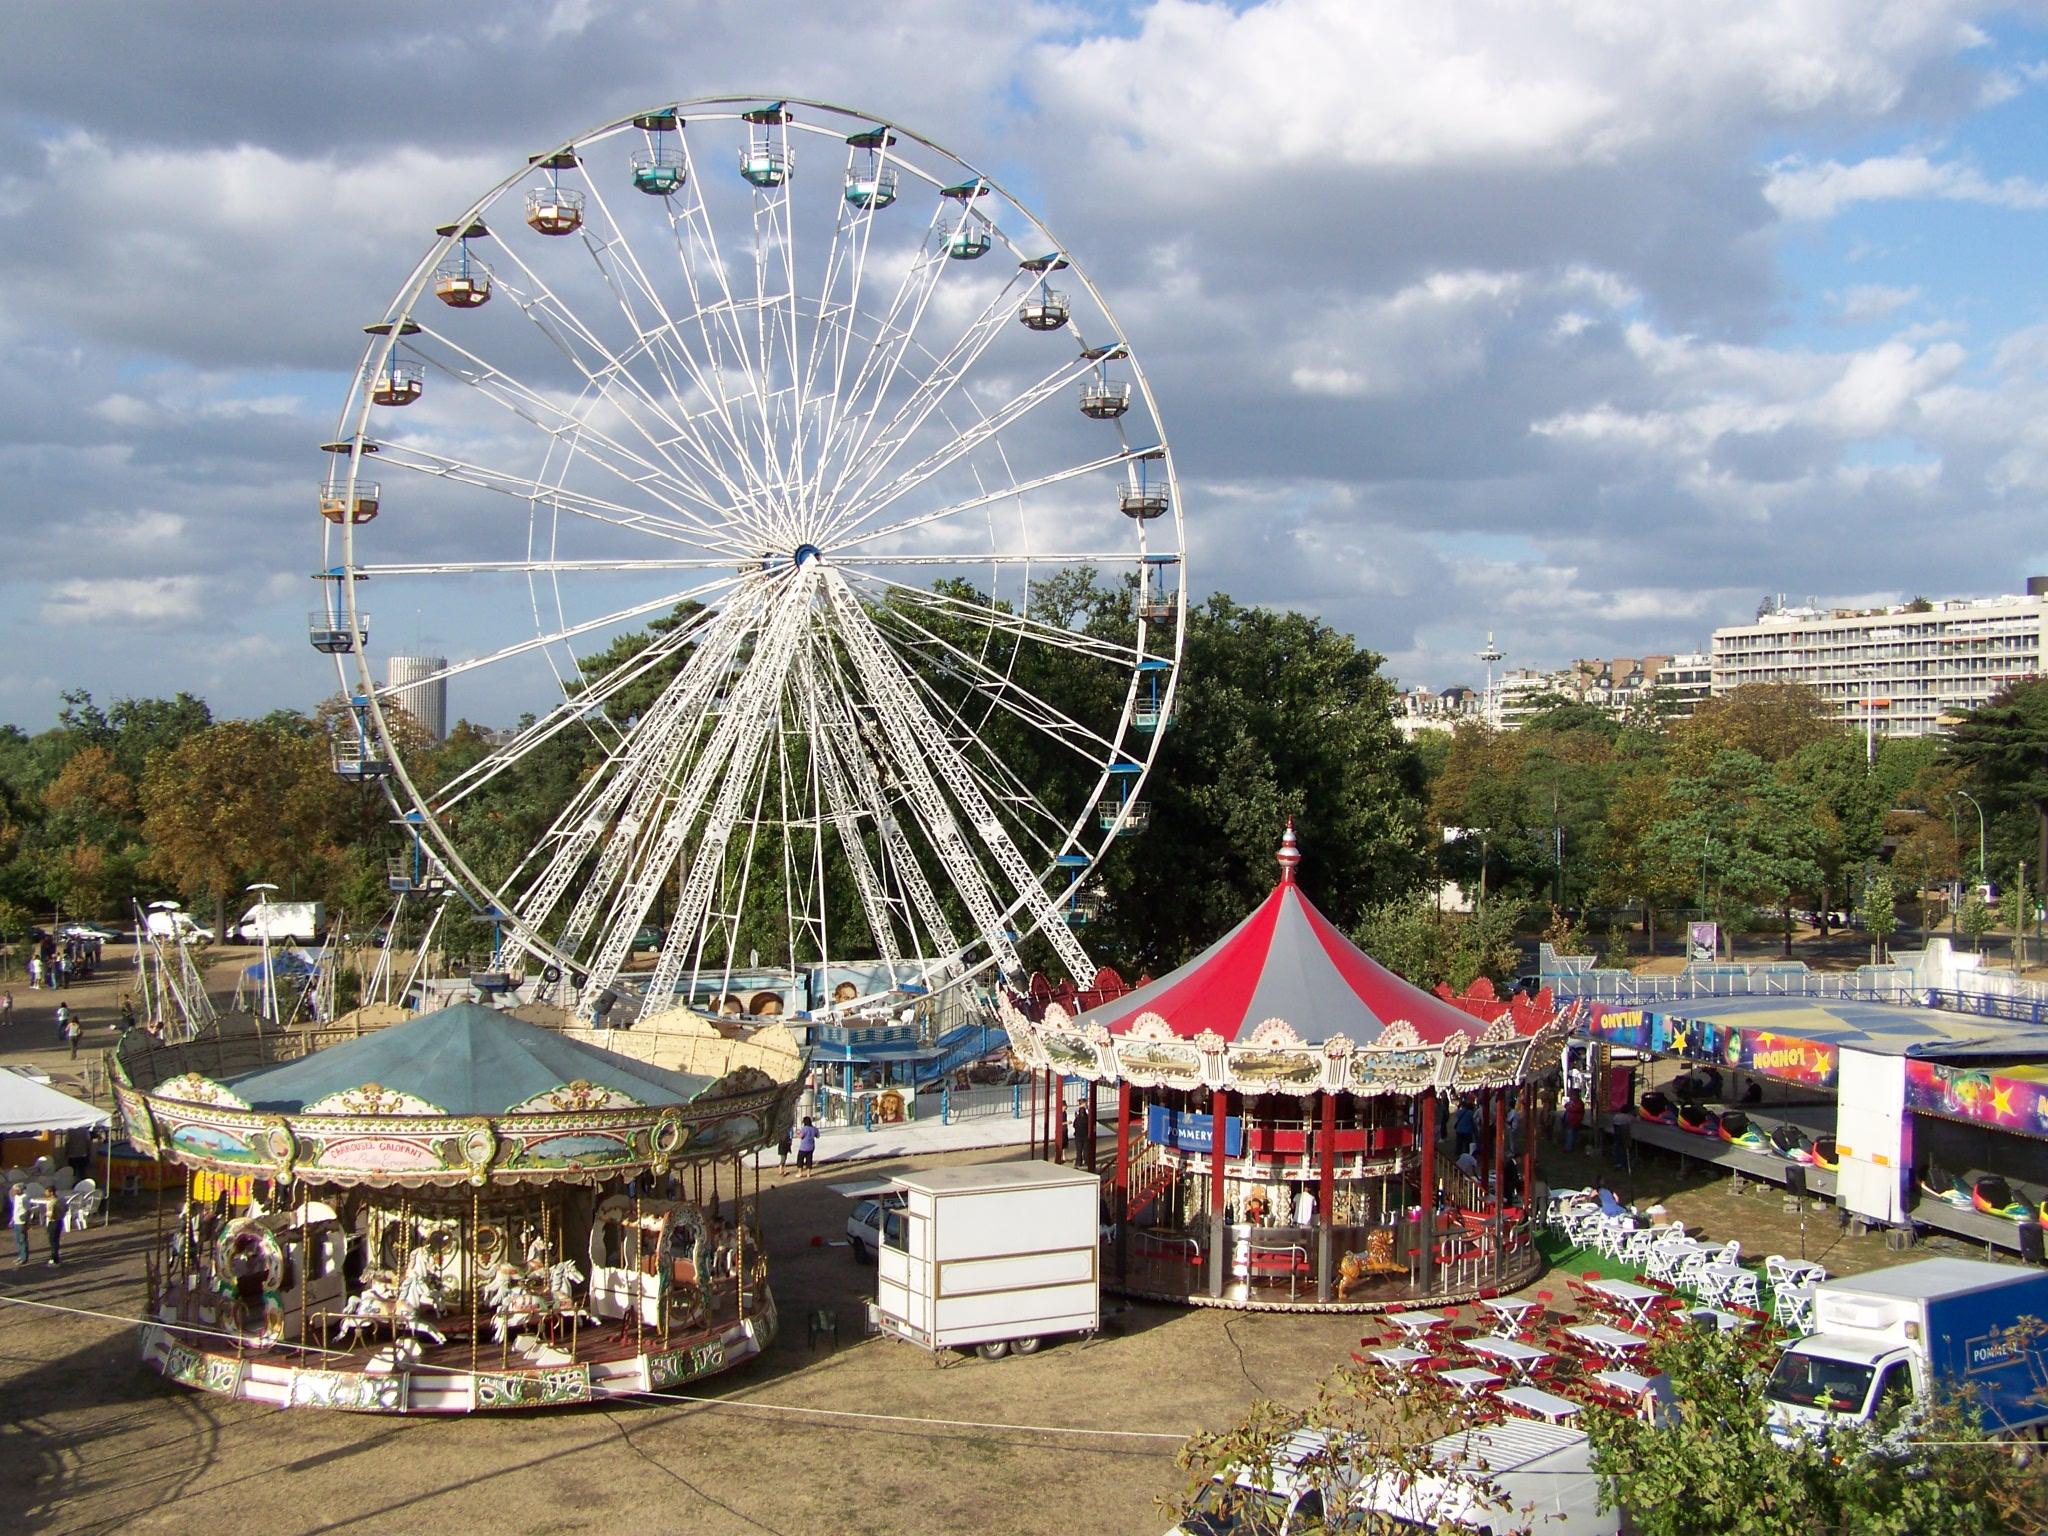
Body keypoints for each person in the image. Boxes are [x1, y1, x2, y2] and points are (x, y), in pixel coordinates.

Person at [41, 1187, 63, 1265]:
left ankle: (54, 1259)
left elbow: (50, 1215)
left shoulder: (52, 1203)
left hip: (53, 1222)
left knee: (52, 1241)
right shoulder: (60, 1200)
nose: (45, 1194)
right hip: (60, 1221)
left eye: (46, 1192)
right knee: (56, 1240)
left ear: (51, 1193)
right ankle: (56, 1257)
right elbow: (66, 1208)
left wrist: (45, 1214)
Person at [9, 1182, 29, 1267]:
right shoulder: (16, 1197)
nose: (14, 1191)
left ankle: (24, 1258)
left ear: (20, 1189)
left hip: (22, 1222)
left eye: (16, 1189)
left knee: (22, 1240)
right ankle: (20, 1256)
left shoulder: (25, 1198)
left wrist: (26, 1222)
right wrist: (12, 1220)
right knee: (18, 1240)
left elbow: (28, 1210)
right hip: (16, 1221)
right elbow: (15, 1210)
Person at [1072, 1102, 1093, 1170]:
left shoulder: (1077, 1119)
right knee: (1086, 1149)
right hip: (1085, 1136)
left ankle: (1078, 1162)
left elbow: (1074, 1125)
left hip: (1078, 1136)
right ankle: (1087, 1161)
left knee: (1079, 1150)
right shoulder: (1087, 1118)